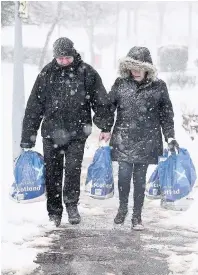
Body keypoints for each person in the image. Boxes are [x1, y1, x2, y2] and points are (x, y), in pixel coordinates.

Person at [20, 37, 112, 227]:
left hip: (77, 133)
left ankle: (71, 205)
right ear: (54, 57)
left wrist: (105, 126)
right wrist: (28, 137)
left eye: (66, 58)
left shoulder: (87, 73)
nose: (63, 61)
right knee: (52, 174)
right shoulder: (46, 74)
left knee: (72, 171)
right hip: (51, 133)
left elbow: (101, 101)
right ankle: (54, 212)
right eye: (59, 58)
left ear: (73, 54)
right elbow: (34, 107)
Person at [107, 46, 179, 230]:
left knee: (139, 179)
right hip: (123, 137)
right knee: (123, 176)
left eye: (140, 67)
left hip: (147, 139)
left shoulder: (159, 86)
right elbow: (109, 108)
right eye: (132, 67)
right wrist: (105, 127)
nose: (136, 71)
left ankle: (137, 216)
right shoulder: (120, 84)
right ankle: (122, 208)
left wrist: (170, 136)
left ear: (148, 68)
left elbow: (166, 114)